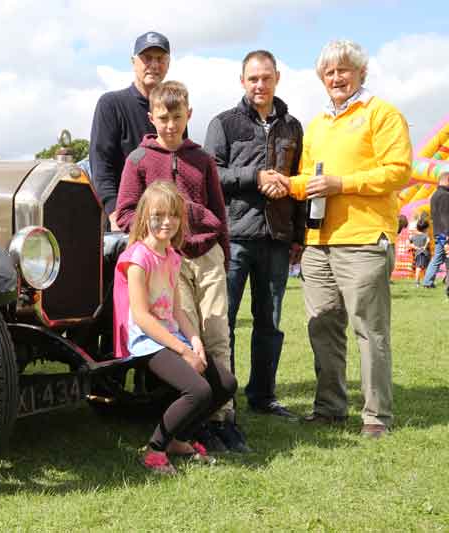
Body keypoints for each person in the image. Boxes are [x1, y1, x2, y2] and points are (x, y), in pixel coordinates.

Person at [265, 40, 412, 438]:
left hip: (364, 238)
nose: (336, 78)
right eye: (329, 73)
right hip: (318, 242)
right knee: (322, 326)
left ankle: (376, 416)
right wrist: (286, 184)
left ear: (360, 72)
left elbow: (399, 171)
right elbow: (314, 182)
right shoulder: (317, 125)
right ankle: (330, 408)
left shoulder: (382, 114)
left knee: (369, 328)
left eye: (343, 70)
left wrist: (341, 183)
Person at [116, 81, 248, 453]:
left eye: (177, 117)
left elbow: (217, 215)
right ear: (152, 117)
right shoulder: (139, 161)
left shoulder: (201, 159)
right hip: (168, 262)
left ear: (188, 115)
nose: (170, 125)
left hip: (206, 256)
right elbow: (126, 213)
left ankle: (224, 420)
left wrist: (219, 251)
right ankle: (193, 423)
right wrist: (159, 231)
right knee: (185, 337)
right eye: (163, 118)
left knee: (218, 333)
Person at [204, 50, 305, 420]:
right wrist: (255, 178)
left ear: (277, 77)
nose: (260, 84)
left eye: (266, 77)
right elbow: (210, 174)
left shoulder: (292, 126)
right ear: (242, 81)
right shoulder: (224, 123)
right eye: (253, 79)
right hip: (234, 237)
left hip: (277, 239)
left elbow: (299, 181)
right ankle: (221, 396)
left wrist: (298, 236)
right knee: (223, 322)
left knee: (270, 323)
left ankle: (262, 396)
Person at [113, 180, 237, 474]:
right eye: (159, 215)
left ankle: (179, 440)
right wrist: (183, 350)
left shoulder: (172, 256)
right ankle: (155, 449)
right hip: (147, 340)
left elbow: (178, 309)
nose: (167, 222)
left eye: (174, 215)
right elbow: (142, 317)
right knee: (198, 391)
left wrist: (194, 341)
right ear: (145, 217)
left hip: (172, 335)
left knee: (226, 385)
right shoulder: (137, 259)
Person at [90, 31, 187, 230]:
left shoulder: (176, 108)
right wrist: (115, 214)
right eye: (146, 58)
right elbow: (101, 166)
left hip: (169, 225)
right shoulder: (111, 105)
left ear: (168, 64)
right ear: (133, 62)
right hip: (125, 224)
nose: (153, 64)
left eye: (160, 59)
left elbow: (183, 166)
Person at [421, 171, 449, 289]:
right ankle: (429, 281)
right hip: (445, 232)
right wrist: (447, 233)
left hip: (438, 231)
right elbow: (446, 216)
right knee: (444, 257)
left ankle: (428, 281)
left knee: (438, 258)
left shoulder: (435, 195)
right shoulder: (445, 196)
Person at [409, 217, 431, 286]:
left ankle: (420, 282)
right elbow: (428, 240)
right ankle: (420, 282)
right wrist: (425, 246)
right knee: (423, 268)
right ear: (425, 229)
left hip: (417, 254)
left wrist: (413, 246)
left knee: (418, 267)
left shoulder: (414, 236)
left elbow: (409, 242)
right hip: (423, 253)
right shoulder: (425, 235)